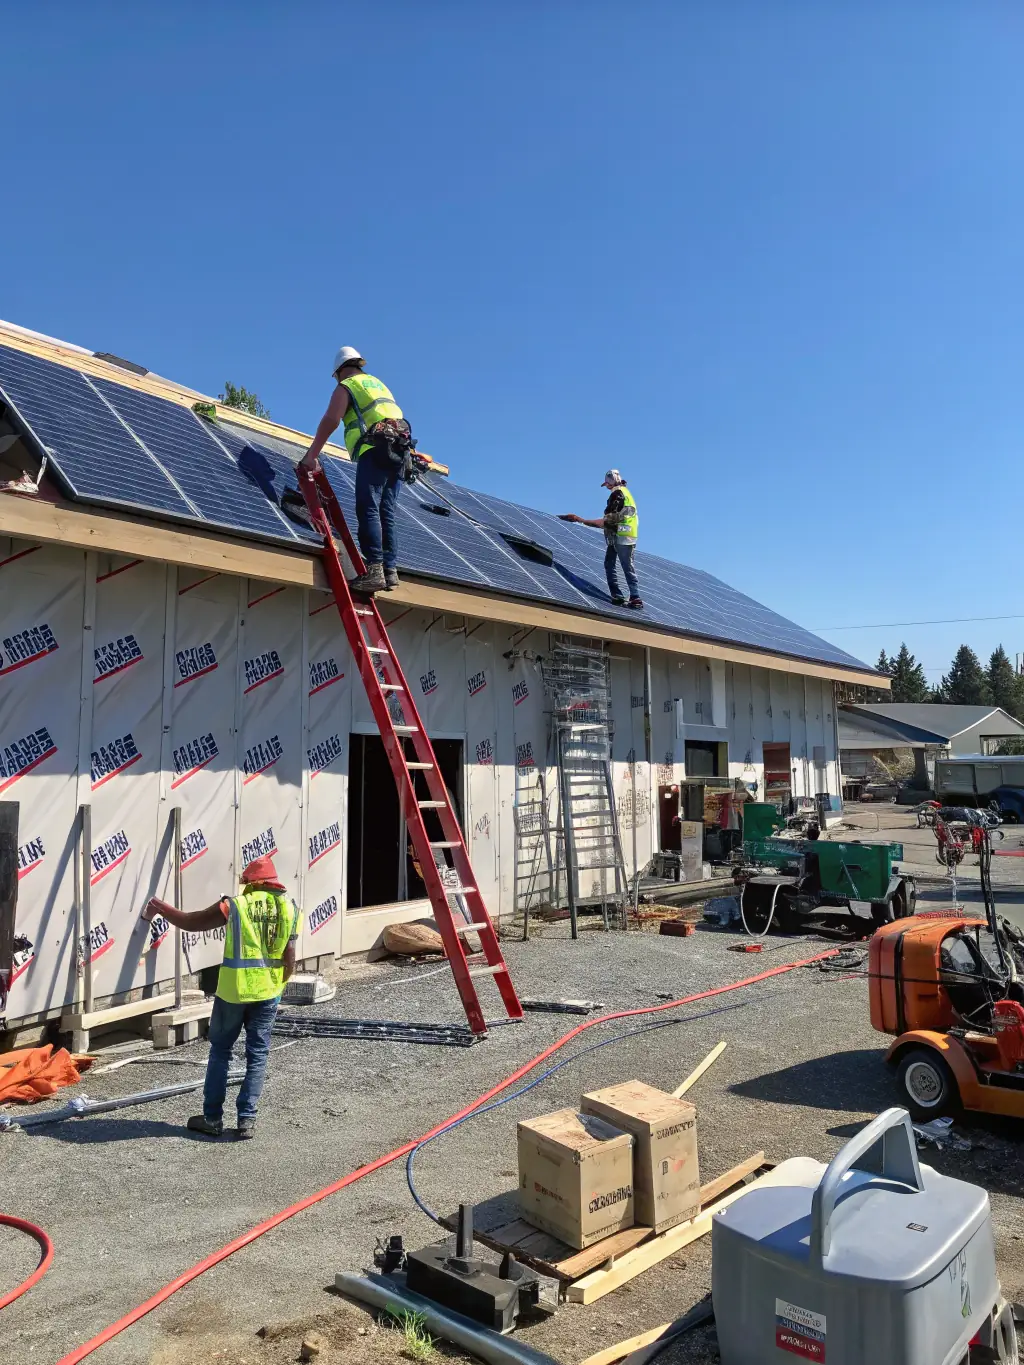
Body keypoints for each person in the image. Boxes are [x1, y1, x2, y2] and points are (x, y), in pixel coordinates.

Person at [141, 855, 301, 1139]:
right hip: (268, 993)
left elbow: (192, 922)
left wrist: (160, 907)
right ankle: (247, 1120)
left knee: (221, 1052)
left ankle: (212, 1118)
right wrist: (277, 985)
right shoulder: (290, 907)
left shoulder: (237, 905)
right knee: (258, 1054)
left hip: (233, 993)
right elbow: (290, 958)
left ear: (251, 883)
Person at [297, 346, 422, 594]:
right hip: (399, 452)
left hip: (374, 449)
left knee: (368, 506)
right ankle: (389, 570)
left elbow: (332, 419)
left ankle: (374, 570)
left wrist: (312, 455)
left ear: (340, 371)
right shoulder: (377, 384)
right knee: (387, 511)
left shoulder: (348, 386)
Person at [559, 469, 642, 608]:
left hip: (621, 534)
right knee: (612, 564)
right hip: (625, 534)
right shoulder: (626, 493)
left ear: (610, 483)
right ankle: (620, 595)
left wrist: (581, 520)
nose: (607, 487)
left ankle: (634, 597)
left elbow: (608, 521)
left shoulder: (618, 495)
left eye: (607, 484)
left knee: (624, 566)